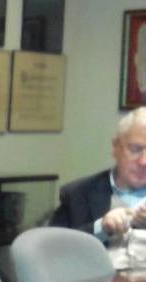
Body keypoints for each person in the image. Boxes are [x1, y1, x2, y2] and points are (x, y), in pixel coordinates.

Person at [49, 107, 146, 269]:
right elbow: (52, 251)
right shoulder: (78, 193)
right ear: (116, 147)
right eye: (136, 149)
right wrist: (101, 227)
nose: (144, 162)